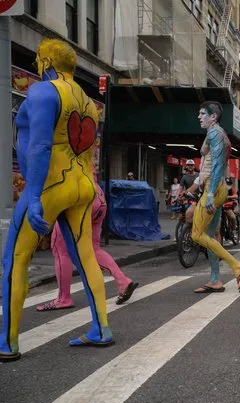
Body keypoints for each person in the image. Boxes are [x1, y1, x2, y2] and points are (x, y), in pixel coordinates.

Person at [1, 39, 113, 362]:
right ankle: (101, 328)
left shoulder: (42, 92)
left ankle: (7, 343)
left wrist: (33, 195)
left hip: (50, 186)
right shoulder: (88, 102)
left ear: (45, 60)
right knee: (87, 257)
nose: (37, 63)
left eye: (38, 58)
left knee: (16, 260)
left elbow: (40, 146)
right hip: (82, 185)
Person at [36, 178, 139, 311]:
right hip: (97, 196)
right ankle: (123, 281)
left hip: (78, 196)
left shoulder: (59, 157)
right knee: (94, 249)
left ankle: (64, 298)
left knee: (60, 249)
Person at [190, 101, 240, 293]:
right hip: (216, 187)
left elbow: (216, 166)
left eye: (202, 114)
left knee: (196, 234)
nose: (199, 117)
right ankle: (215, 279)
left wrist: (209, 195)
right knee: (209, 235)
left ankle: (237, 266)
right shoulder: (214, 133)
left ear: (213, 116)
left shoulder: (216, 134)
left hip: (213, 188)